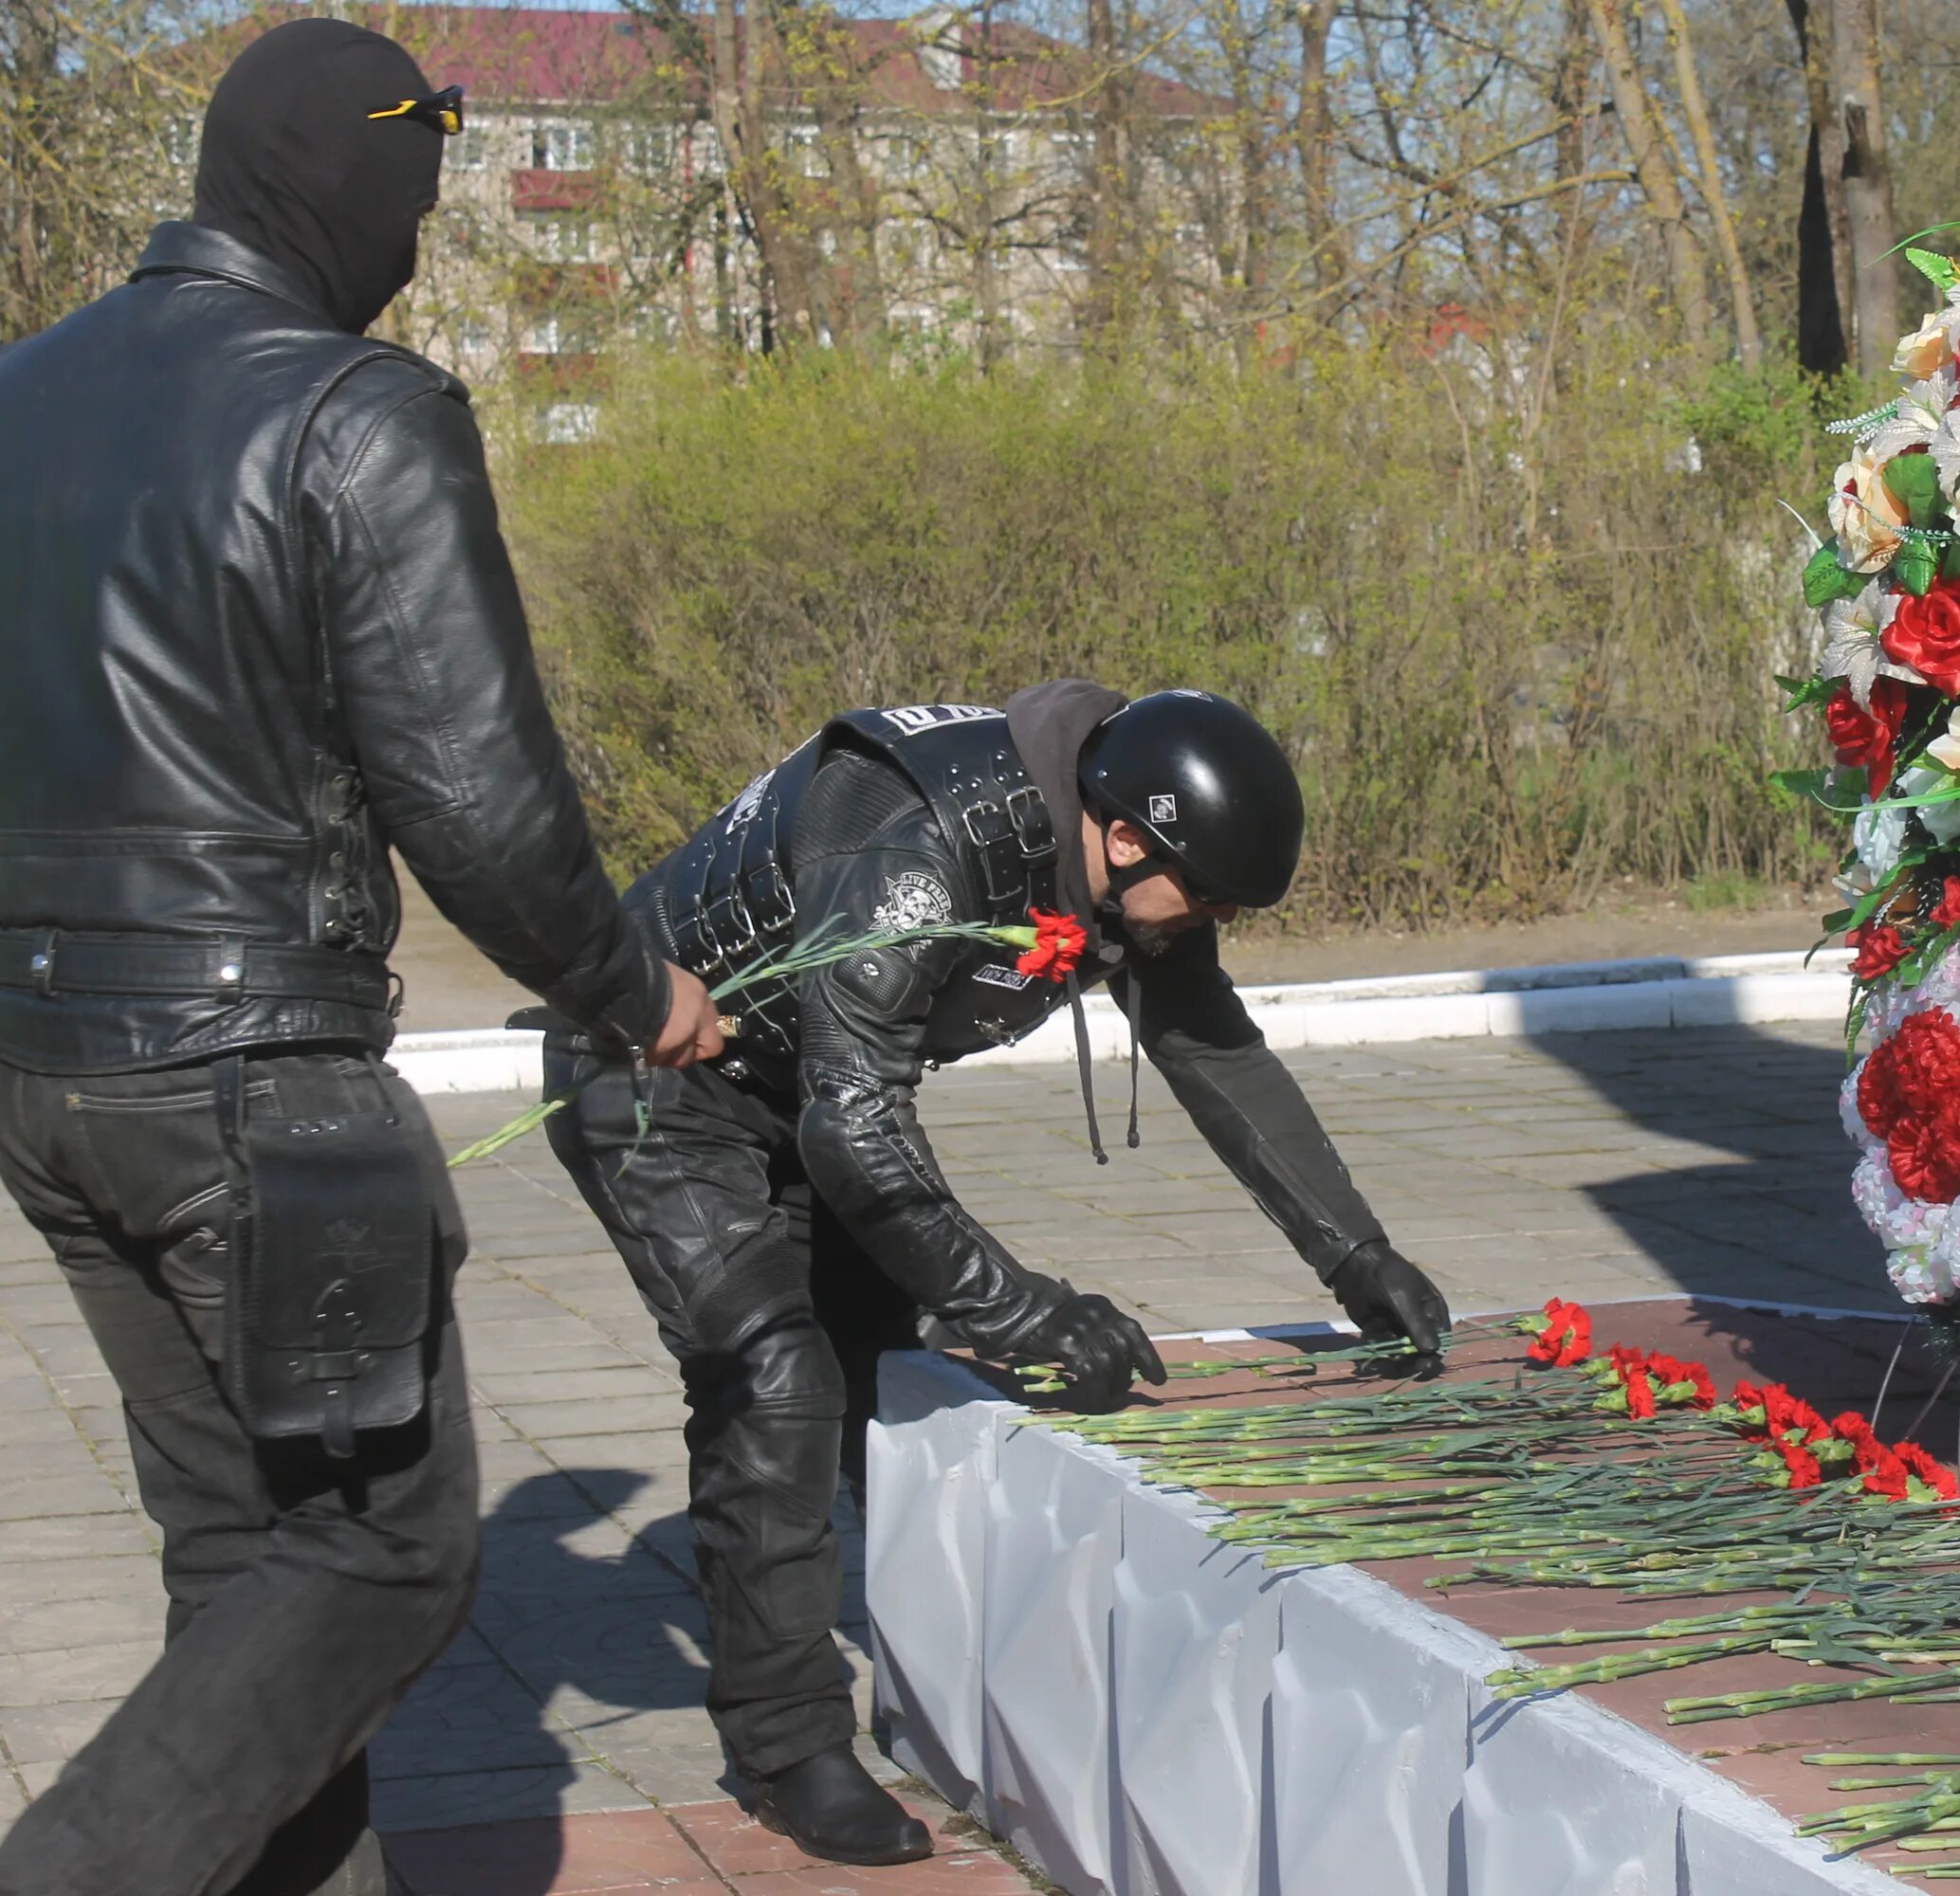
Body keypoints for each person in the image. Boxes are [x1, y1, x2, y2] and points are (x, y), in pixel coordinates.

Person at [0, 22, 724, 1896]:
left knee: (245, 1564)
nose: (421, 221)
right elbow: (477, 799)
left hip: (45, 1076)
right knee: (387, 1553)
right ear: (349, 188)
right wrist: (638, 991)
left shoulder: (17, 396)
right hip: (259, 1092)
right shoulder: (354, 413)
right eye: (418, 178)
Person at [538, 683, 1452, 1865]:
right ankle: (784, 1742)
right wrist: (1024, 1306)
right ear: (1126, 837)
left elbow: (1213, 1046)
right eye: (1210, 896)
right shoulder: (929, 839)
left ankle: (951, 1679)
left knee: (890, 1372)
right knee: (775, 1380)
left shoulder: (1129, 866)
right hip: (653, 1071)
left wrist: (1357, 1254)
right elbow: (856, 1124)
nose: (1208, 920)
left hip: (804, 1081)